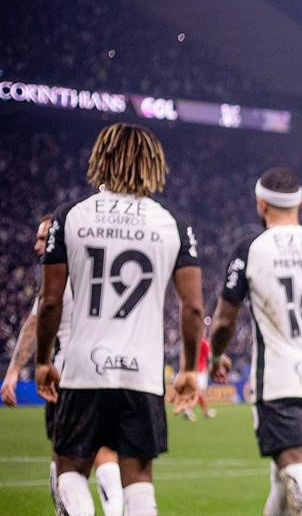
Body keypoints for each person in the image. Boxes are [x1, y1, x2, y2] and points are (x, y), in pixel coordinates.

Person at [36, 122, 203, 516]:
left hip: (82, 368)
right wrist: (190, 369)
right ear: (152, 163)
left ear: (101, 159)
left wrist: (44, 361)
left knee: (70, 467)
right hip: (141, 374)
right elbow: (194, 307)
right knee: (139, 478)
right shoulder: (172, 224)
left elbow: (50, 301)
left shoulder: (70, 216)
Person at [209, 167, 302, 516]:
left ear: (261, 204)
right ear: (300, 203)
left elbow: (224, 320)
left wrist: (216, 356)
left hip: (278, 379)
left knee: (297, 470)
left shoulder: (252, 247)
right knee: (283, 476)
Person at [2, 214, 123, 516]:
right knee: (107, 453)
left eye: (44, 238)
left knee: (65, 460)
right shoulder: (102, 270)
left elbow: (36, 321)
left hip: (68, 376)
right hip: (109, 374)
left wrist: (16, 370)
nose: (37, 246)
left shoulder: (58, 276)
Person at [181, 336, 216, 421]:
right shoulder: (204, 342)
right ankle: (191, 410)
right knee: (197, 392)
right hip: (200, 371)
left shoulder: (191, 342)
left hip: (193, 370)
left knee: (196, 392)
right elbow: (210, 356)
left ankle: (197, 410)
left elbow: (184, 356)